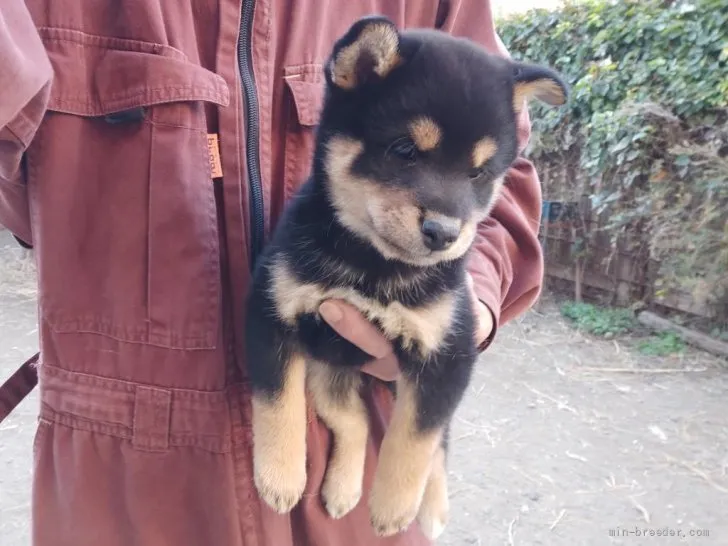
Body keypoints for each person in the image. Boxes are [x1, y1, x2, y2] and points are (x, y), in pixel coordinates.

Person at [0, 1, 544, 544]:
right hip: (127, 485)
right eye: (405, 151)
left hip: (352, 477)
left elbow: (505, 169)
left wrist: (462, 312)